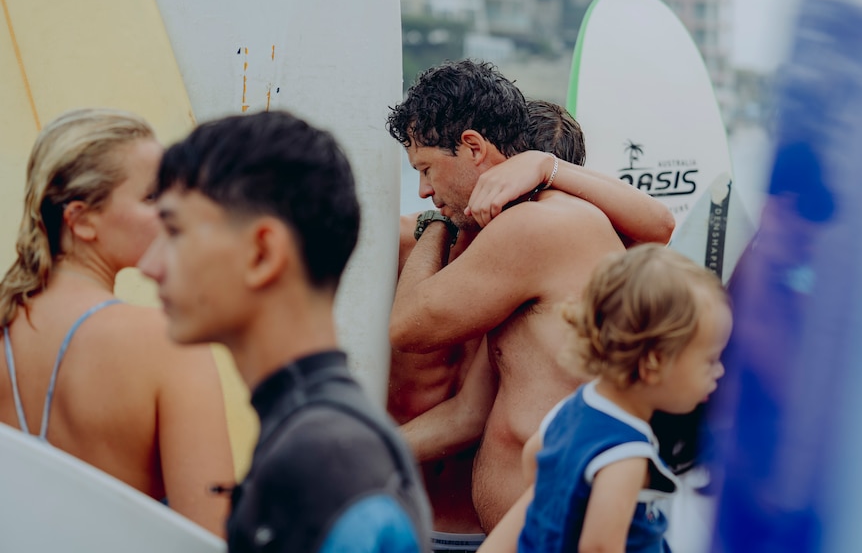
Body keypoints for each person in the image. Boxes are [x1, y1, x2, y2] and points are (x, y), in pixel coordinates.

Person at [386, 59, 674, 533]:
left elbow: (409, 326)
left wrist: (441, 220)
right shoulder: (518, 245)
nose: (422, 190)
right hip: (522, 532)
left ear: (474, 147)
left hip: (564, 532)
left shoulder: (541, 224)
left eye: (427, 170)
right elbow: (471, 412)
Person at [138, 110, 432, 552]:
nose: (149, 265)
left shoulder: (325, 459)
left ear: (262, 253)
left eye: (175, 231)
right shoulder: (316, 436)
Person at [0, 108, 234, 535]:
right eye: (151, 197)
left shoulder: (6, 325)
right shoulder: (168, 343)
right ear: (82, 220)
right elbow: (209, 537)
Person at [504, 244, 731, 553]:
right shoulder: (626, 454)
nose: (719, 371)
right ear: (654, 364)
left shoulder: (577, 404)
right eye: (710, 360)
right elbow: (599, 547)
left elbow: (533, 457)